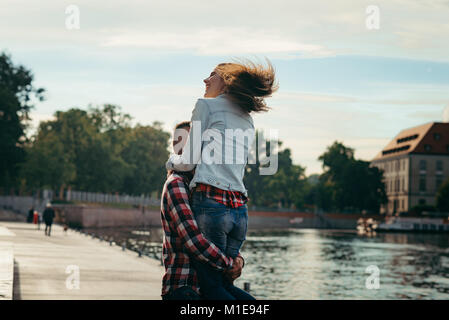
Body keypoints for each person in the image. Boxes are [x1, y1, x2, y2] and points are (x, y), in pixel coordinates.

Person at [166, 59, 277, 299]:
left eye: (212, 75)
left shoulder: (206, 106)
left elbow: (187, 161)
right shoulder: (247, 118)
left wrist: (170, 161)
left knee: (212, 289)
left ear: (225, 81)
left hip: (212, 204)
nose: (205, 80)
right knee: (226, 286)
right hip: (239, 210)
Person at [161, 121, 251, 300]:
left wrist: (238, 260)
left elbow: (221, 229)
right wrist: (228, 263)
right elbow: (193, 240)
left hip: (214, 283)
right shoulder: (176, 184)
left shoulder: (208, 185)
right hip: (186, 287)